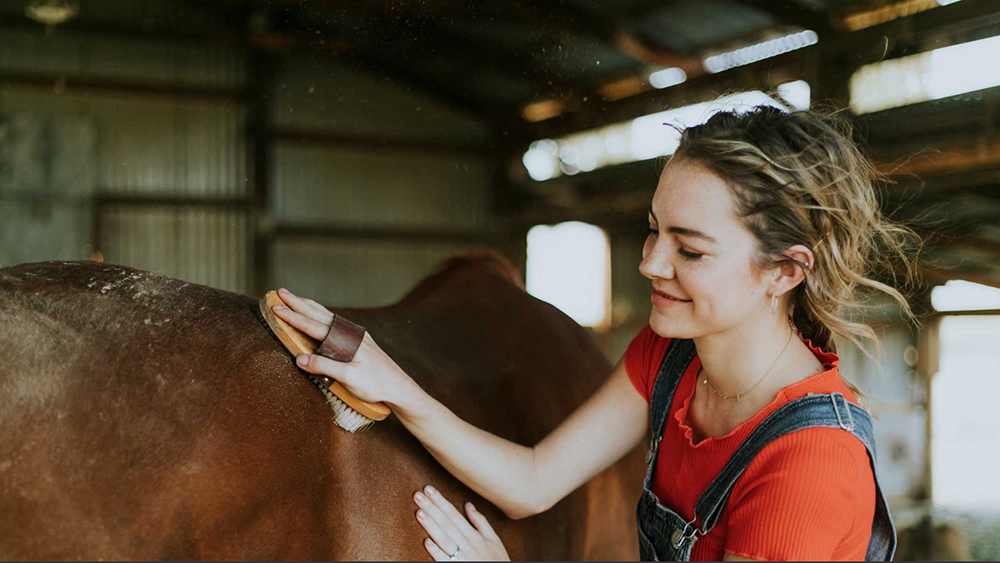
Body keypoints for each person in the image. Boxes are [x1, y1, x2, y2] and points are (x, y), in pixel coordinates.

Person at [270, 104, 920, 561]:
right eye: (653, 230)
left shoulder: (808, 462)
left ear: (784, 271)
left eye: (690, 249)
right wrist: (393, 383)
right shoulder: (670, 357)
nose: (650, 263)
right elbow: (532, 481)